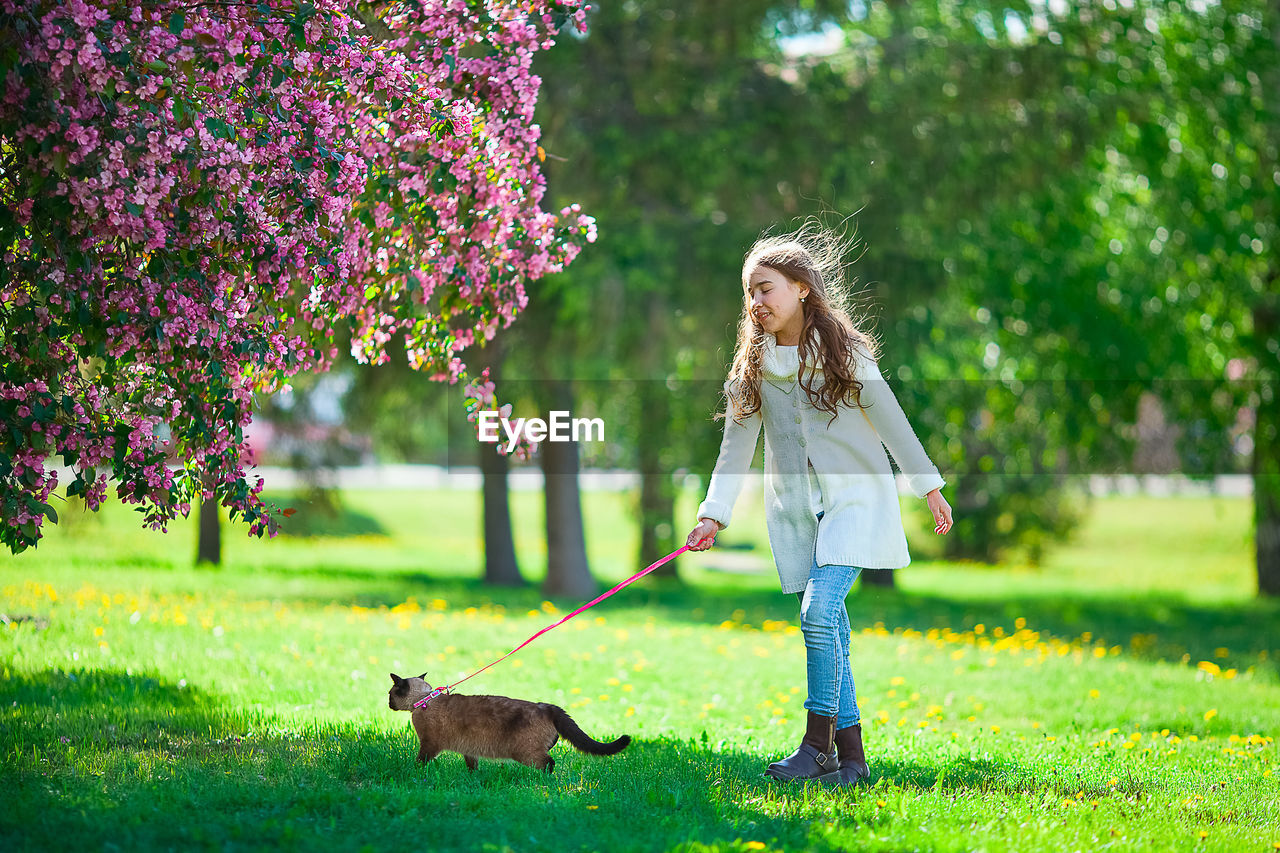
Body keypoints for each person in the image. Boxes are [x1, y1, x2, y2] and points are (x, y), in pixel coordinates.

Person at [685, 224, 953, 786]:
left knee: (817, 614)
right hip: (799, 512)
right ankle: (851, 763)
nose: (756, 302)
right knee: (832, 630)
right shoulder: (752, 367)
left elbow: (890, 419)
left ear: (802, 287)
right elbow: (735, 448)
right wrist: (715, 512)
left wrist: (927, 485)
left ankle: (816, 746)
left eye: (766, 288)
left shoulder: (842, 352)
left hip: (855, 499)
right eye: (749, 293)